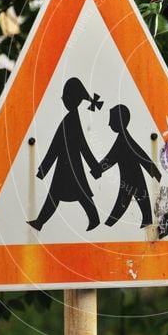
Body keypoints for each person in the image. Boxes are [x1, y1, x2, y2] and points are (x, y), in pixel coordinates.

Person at [27, 77, 102, 232]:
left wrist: (95, 167)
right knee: (57, 195)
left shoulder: (70, 120)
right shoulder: (69, 119)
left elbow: (81, 145)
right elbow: (56, 146)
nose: (63, 100)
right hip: (66, 164)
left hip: (70, 165)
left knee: (76, 194)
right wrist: (43, 170)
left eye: (65, 97)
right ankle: (40, 222)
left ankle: (94, 219)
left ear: (70, 99)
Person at [99, 105, 162, 228]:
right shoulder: (125, 138)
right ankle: (108, 227)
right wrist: (155, 173)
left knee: (134, 210)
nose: (109, 124)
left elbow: (111, 158)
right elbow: (140, 155)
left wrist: (97, 170)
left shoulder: (123, 140)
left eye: (111, 120)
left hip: (131, 181)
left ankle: (106, 227)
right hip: (131, 180)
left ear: (119, 121)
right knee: (141, 211)